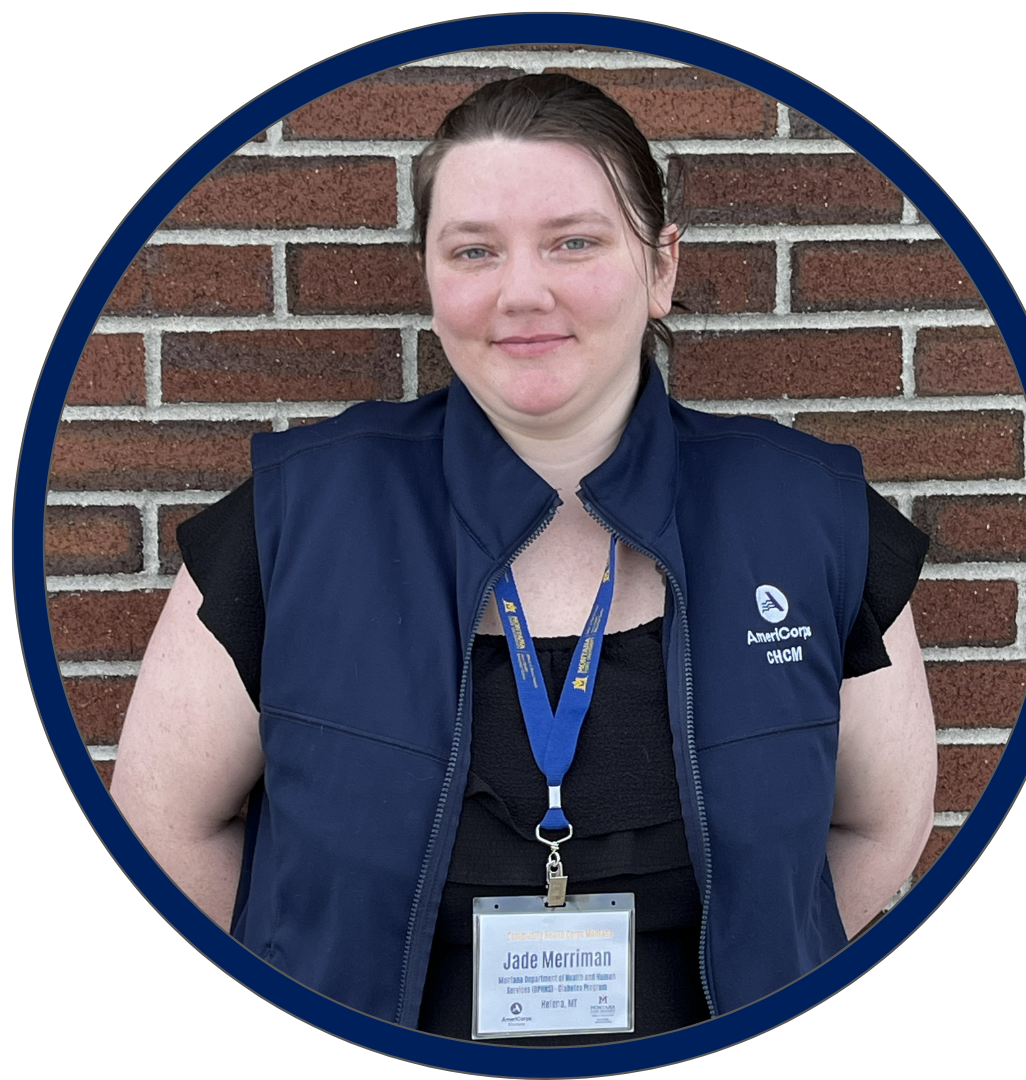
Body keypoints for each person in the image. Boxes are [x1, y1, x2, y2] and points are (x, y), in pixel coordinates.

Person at [110, 73, 937, 1043]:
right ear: (431, 278)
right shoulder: (293, 518)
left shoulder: (809, 517)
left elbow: (879, 827)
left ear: (661, 267)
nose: (523, 292)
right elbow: (163, 830)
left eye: (574, 242)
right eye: (475, 250)